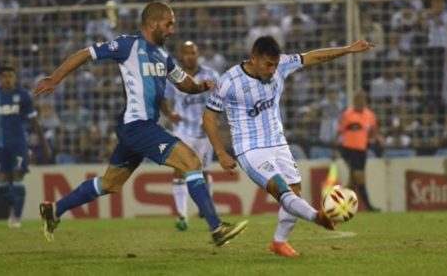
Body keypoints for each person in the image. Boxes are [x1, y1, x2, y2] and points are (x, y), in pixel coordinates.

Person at [34, 1, 247, 246]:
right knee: (191, 162)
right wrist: (54, 78)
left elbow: (183, 83)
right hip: (138, 125)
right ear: (152, 23)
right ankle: (216, 227)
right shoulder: (127, 45)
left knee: (110, 184)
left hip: (136, 128)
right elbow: (85, 53)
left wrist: (201, 87)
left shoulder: (163, 55)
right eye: (169, 24)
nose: (172, 30)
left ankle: (54, 209)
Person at [202, 36, 374, 257]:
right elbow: (208, 117)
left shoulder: (281, 65)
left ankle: (279, 242)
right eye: (268, 64)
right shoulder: (229, 81)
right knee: (280, 189)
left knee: (294, 191)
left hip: (278, 142)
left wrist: (348, 49)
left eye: (275, 64)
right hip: (250, 148)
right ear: (253, 59)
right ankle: (317, 217)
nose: (273, 70)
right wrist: (220, 152)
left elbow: (313, 57)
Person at [161, 41, 220, 231]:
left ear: (198, 54)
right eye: (186, 53)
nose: (190, 56)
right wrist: (169, 114)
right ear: (180, 55)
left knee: (203, 172)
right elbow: (162, 97)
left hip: (205, 132)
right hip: (183, 131)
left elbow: (221, 97)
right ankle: (182, 215)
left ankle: (204, 207)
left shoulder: (211, 75)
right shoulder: (175, 76)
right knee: (180, 170)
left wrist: (214, 116)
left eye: (193, 52)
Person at [0, 66, 51, 228]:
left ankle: (16, 216)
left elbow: (34, 122)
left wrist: (44, 145)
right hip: (1, 145)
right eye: (4, 76)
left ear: (15, 78)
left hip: (19, 145)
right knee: (1, 183)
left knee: (16, 180)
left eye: (10, 76)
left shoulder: (23, 96)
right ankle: (16, 205)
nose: (7, 79)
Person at [337, 90, 384, 212]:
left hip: (362, 150)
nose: (360, 102)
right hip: (349, 149)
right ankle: (369, 206)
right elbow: (340, 131)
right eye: (357, 99)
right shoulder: (348, 114)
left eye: (362, 99)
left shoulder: (370, 115)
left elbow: (373, 133)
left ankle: (338, 204)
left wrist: (378, 138)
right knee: (359, 177)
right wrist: (335, 148)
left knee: (353, 181)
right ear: (354, 101)